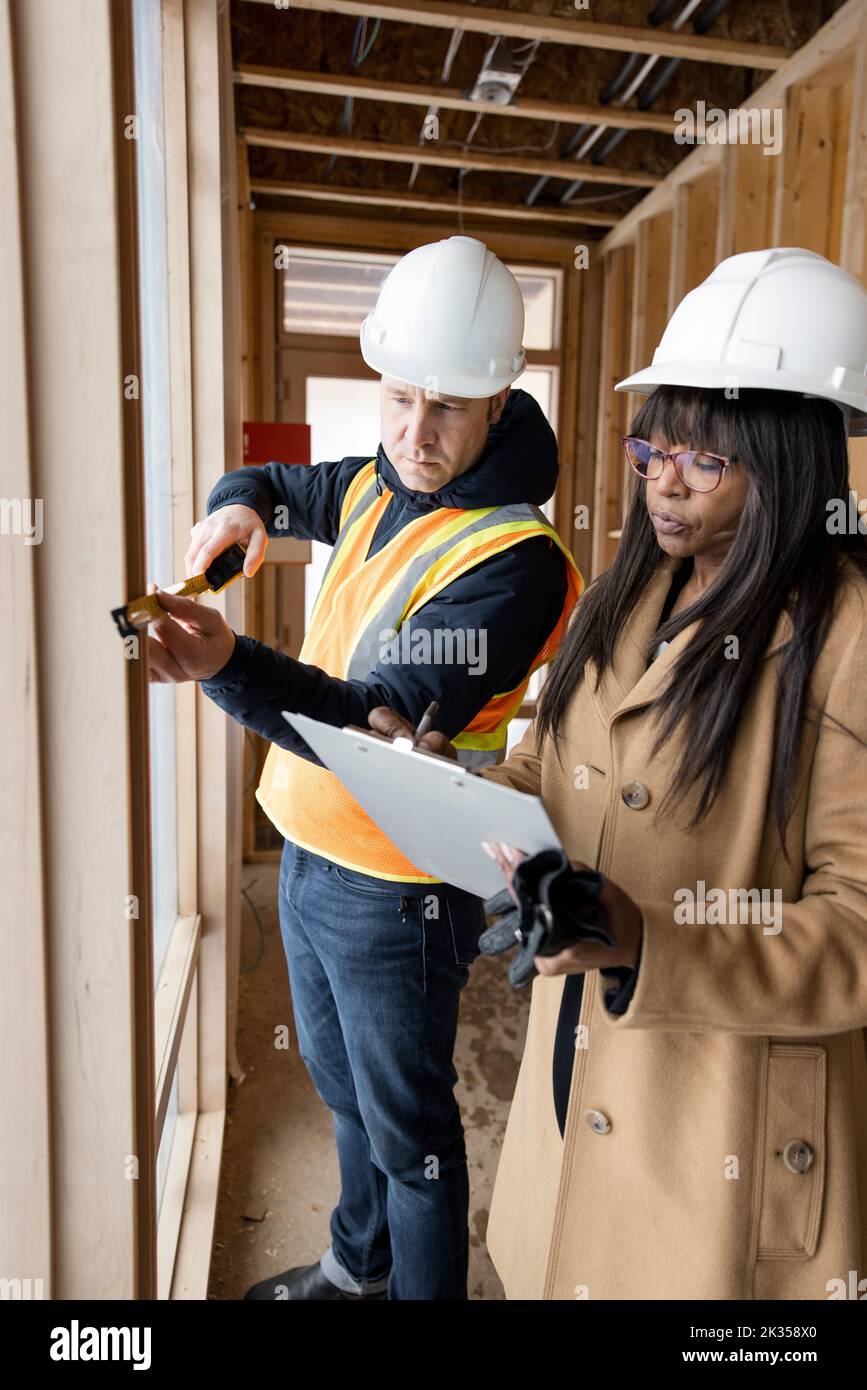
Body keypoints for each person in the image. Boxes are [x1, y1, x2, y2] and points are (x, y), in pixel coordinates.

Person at [372, 247, 867, 1299]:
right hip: (579, 1058)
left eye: (704, 461)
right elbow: (546, 764)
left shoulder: (850, 639)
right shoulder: (630, 595)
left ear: (789, 465)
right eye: (653, 449)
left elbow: (858, 930)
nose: (662, 482)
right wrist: (446, 782)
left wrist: (654, 942)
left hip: (722, 1119)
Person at [146, 235, 583, 1300]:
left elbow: (363, 715)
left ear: (497, 403)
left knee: (413, 1138)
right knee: (344, 1094)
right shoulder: (384, 481)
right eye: (395, 400)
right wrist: (241, 503)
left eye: (443, 410)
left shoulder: (512, 563)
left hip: (397, 890)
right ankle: (355, 1271)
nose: (411, 433)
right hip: (308, 847)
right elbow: (282, 485)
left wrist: (226, 662)